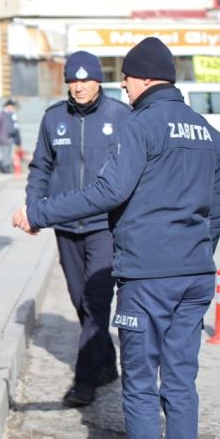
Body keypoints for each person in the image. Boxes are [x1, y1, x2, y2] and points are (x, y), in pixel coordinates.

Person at [13, 37, 220, 439]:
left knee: (142, 385)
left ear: (145, 78)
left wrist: (39, 213)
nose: (123, 88)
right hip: (195, 277)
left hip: (147, 278)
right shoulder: (207, 131)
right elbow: (217, 211)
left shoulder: (138, 124)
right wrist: (194, 253)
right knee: (182, 384)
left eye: (126, 79)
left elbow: (108, 192)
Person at [26, 51, 131, 407]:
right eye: (73, 81)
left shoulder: (120, 116)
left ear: (99, 81)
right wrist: (33, 210)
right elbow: (40, 167)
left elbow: (134, 170)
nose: (79, 87)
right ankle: (107, 363)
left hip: (105, 225)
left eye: (85, 80)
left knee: (96, 300)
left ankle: (84, 381)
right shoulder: (53, 118)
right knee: (78, 299)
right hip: (66, 225)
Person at [0, 99, 22, 173]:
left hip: (10, 138)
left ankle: (6, 167)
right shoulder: (1, 114)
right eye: (11, 107)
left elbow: (15, 127)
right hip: (3, 138)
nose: (13, 108)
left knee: (8, 153)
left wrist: (17, 140)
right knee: (5, 154)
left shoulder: (12, 115)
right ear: (8, 106)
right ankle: (5, 168)